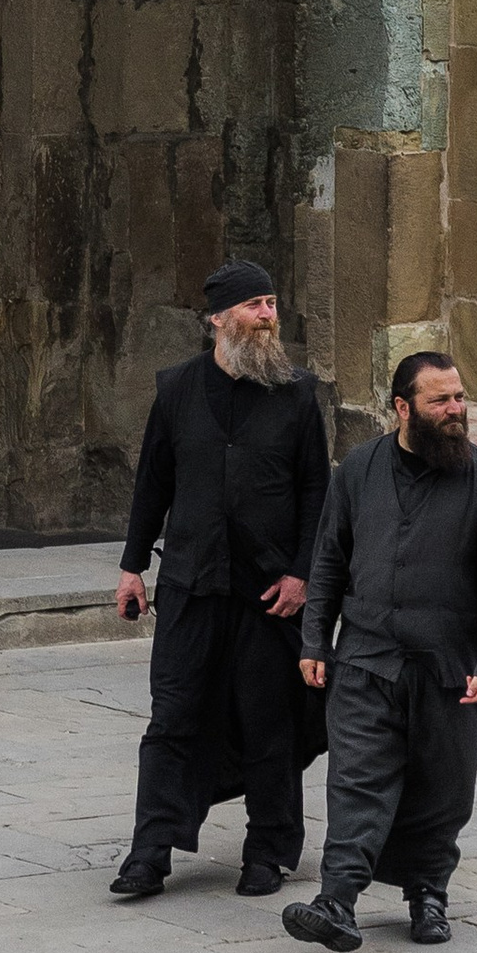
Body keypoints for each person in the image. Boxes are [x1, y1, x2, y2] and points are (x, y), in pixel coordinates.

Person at [282, 350, 477, 953]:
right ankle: (336, 900)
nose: (455, 411)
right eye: (440, 400)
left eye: (460, 398)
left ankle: (427, 894)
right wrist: (315, 640)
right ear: (401, 408)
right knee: (357, 780)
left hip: (448, 667)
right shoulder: (359, 471)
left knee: (441, 790)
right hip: (366, 659)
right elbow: (329, 563)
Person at [108, 258, 330, 903]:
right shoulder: (177, 388)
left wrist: (302, 573)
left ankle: (269, 852)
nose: (269, 314)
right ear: (220, 319)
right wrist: (132, 567)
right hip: (190, 583)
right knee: (172, 716)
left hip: (269, 592)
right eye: (256, 304)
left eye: (271, 302)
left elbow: (318, 488)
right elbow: (153, 482)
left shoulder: (294, 392)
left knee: (270, 721)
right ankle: (150, 852)